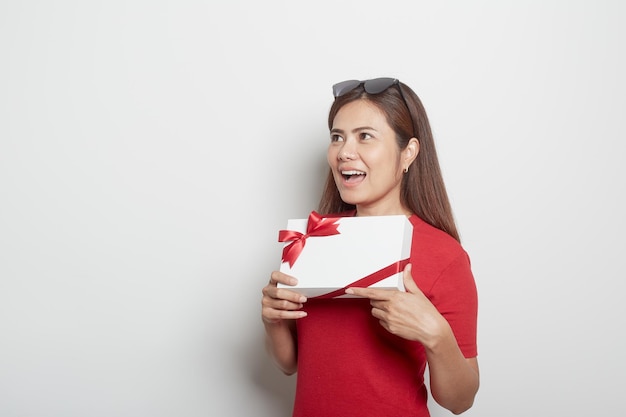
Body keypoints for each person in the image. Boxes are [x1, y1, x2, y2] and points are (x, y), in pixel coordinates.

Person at [261, 77, 479, 416]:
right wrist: (273, 321)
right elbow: (290, 364)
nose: (345, 152)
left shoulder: (444, 255)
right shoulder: (311, 241)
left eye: (365, 136)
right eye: (337, 137)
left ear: (408, 153)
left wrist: (436, 335)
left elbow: (460, 401)